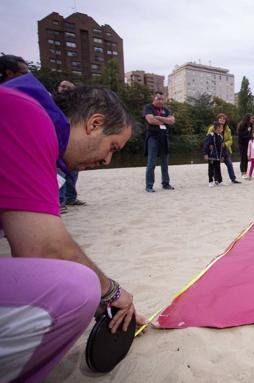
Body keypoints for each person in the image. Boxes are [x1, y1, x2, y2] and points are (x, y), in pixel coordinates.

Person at [0, 80, 144, 382]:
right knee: (79, 287)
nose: (107, 161)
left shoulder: (19, 113)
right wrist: (110, 291)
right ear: (94, 124)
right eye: (112, 147)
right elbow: (43, 250)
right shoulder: (28, 117)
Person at [56, 80, 86, 212]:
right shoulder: (53, 103)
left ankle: (70, 197)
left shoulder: (77, 106)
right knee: (60, 171)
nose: (63, 89)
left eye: (67, 87)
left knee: (73, 171)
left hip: (74, 141)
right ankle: (60, 201)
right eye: (62, 86)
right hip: (58, 140)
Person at [144, 91, 175, 192]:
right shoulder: (148, 107)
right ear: (154, 99)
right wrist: (165, 120)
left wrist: (158, 117)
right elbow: (150, 120)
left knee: (165, 163)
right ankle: (149, 186)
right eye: (158, 99)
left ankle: (165, 184)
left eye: (162, 99)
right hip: (153, 137)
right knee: (151, 163)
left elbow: (172, 121)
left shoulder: (165, 109)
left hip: (164, 137)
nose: (161, 101)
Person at [207, 113, 240, 184]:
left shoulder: (228, 129)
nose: (222, 120)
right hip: (215, 150)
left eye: (224, 119)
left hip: (225, 149)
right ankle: (216, 180)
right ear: (217, 119)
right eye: (220, 118)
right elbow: (208, 138)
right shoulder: (212, 128)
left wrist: (225, 144)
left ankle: (233, 179)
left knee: (229, 164)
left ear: (225, 121)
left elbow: (230, 140)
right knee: (216, 166)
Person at [203, 121, 224, 187]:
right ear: (217, 128)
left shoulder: (221, 137)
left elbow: (222, 147)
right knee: (211, 169)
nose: (222, 129)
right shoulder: (211, 135)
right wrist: (205, 154)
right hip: (211, 156)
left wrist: (222, 156)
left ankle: (218, 181)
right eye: (221, 128)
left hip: (218, 156)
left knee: (218, 168)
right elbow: (206, 145)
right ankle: (210, 181)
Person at [237, 114, 254, 179]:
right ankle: (243, 173)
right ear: (248, 118)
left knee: (246, 158)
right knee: (243, 158)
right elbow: (240, 134)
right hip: (242, 143)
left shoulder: (250, 125)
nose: (253, 120)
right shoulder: (242, 124)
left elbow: (249, 134)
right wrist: (247, 131)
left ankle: (245, 172)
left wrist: (253, 138)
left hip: (248, 143)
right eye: (252, 119)